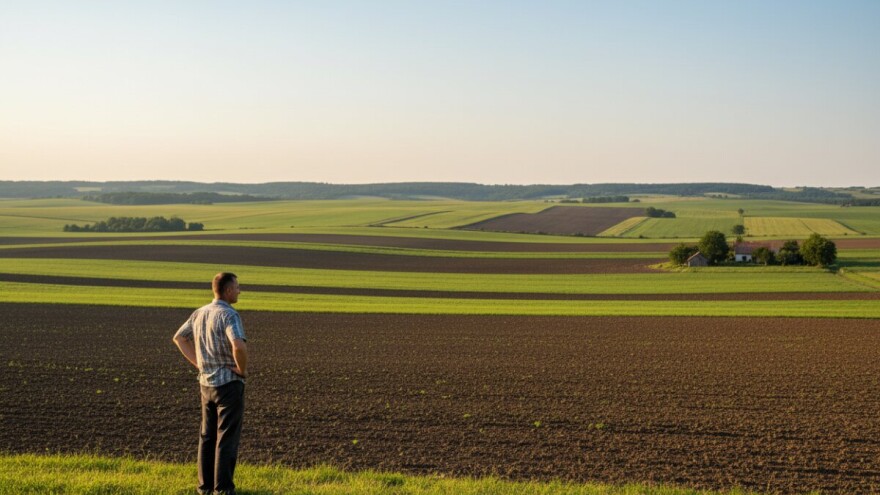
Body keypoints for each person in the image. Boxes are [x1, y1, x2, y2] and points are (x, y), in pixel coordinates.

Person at [173, 272, 248, 495]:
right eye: (236, 287)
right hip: (228, 384)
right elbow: (239, 346)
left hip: (206, 384)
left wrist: (199, 363)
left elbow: (179, 338)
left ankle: (204, 488)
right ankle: (223, 489)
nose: (239, 291)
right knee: (226, 438)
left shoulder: (199, 313)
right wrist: (242, 370)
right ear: (227, 291)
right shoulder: (229, 315)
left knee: (207, 437)